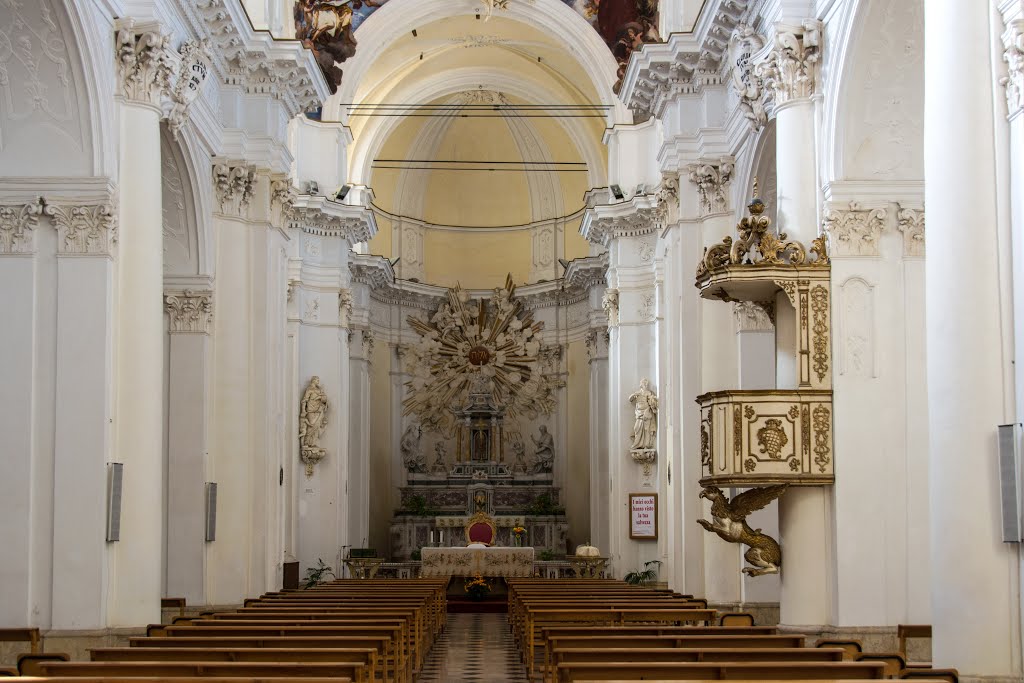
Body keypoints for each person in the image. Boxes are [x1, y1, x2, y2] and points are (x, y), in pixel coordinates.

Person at [629, 378, 658, 450]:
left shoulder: (648, 393)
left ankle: (646, 445)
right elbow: (630, 399)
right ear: (641, 385)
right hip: (639, 413)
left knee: (646, 429)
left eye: (646, 384)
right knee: (637, 428)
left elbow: (651, 401)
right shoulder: (638, 393)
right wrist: (634, 395)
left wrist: (653, 400)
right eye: (644, 383)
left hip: (646, 413)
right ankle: (637, 444)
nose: (645, 385)